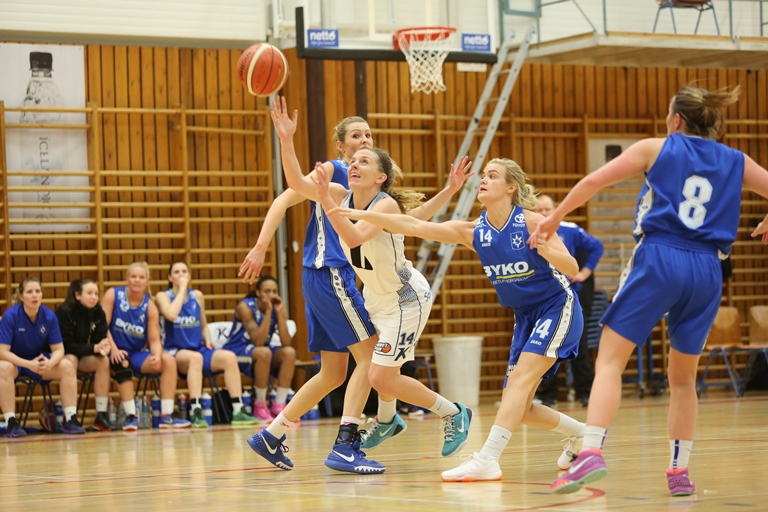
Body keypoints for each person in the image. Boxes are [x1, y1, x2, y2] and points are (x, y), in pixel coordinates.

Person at [529, 85, 768, 496]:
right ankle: (679, 472)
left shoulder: (656, 148)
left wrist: (555, 218)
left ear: (676, 119)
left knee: (609, 360)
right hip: (708, 268)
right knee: (683, 378)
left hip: (660, 257)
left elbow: (594, 181)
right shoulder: (736, 160)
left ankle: (590, 451)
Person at [332, 157, 589, 482]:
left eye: (492, 176)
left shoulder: (531, 221)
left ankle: (487, 459)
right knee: (520, 408)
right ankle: (582, 434)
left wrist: (546, 251)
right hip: (525, 316)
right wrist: (363, 215)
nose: (484, 180)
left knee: (519, 383)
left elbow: (571, 267)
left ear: (511, 187)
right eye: (484, 175)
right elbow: (414, 226)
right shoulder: (474, 231)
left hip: (556, 306)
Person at [241, 110, 469, 474]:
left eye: (368, 141)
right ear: (340, 148)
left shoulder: (377, 200)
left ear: (380, 175)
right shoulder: (338, 185)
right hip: (348, 283)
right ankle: (369, 429)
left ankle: (295, 434)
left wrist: (450, 190)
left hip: (392, 293)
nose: (362, 148)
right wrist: (285, 140)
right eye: (356, 143)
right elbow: (293, 186)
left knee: (357, 371)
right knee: (370, 366)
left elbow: (403, 223)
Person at [156, 261, 258, 428]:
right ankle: (196, 411)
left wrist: (208, 339)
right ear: (169, 277)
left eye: (184, 271)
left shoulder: (197, 295)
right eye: (176, 272)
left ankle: (238, 410)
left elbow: (203, 325)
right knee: (195, 358)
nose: (181, 275)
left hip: (198, 348)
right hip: (175, 351)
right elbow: (171, 315)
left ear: (189, 275)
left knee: (229, 357)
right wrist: (181, 290)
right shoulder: (163, 296)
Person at [101, 262, 191, 430]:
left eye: (141, 277)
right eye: (133, 276)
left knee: (168, 361)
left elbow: (154, 340)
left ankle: (166, 416)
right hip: (111, 351)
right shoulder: (113, 295)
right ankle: (131, 416)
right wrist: (113, 349)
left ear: (147, 282)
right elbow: (102, 327)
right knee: (122, 361)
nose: (137, 280)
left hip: (136, 353)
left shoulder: (149, 306)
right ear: (127, 279)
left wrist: (156, 355)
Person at [534, 194, 603, 408]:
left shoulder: (570, 230)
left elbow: (597, 247)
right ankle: (547, 395)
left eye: (547, 209)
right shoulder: (527, 231)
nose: (543, 213)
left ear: (555, 210)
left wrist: (584, 273)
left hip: (570, 298)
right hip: (543, 298)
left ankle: (585, 393)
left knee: (579, 345)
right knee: (544, 347)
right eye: (539, 210)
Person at [0, 277, 86, 436]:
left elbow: (59, 349)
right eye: (29, 292)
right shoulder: (10, 316)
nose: (34, 295)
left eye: (37, 291)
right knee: (3, 368)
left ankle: (70, 419)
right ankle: (11, 422)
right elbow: (2, 352)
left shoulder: (49, 316)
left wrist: (50, 363)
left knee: (67, 366)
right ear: (21, 296)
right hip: (16, 362)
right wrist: (28, 364)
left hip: (37, 361)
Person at [224, 275, 296, 422]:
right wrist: (269, 312)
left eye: (275, 291)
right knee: (264, 352)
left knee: (289, 353)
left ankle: (280, 406)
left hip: (262, 350)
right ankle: (260, 405)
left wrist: (279, 314)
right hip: (237, 349)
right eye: (267, 291)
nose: (272, 295)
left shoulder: (278, 307)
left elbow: (286, 342)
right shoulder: (245, 307)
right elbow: (258, 341)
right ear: (258, 293)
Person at [55, 278, 115, 432]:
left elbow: (99, 338)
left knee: (103, 361)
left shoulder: (98, 312)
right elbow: (66, 345)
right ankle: (70, 417)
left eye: (96, 293)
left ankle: (101, 415)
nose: (94, 297)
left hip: (84, 354)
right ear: (77, 295)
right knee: (71, 359)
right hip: (62, 356)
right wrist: (94, 348)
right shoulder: (64, 312)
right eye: (89, 293)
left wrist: (104, 346)